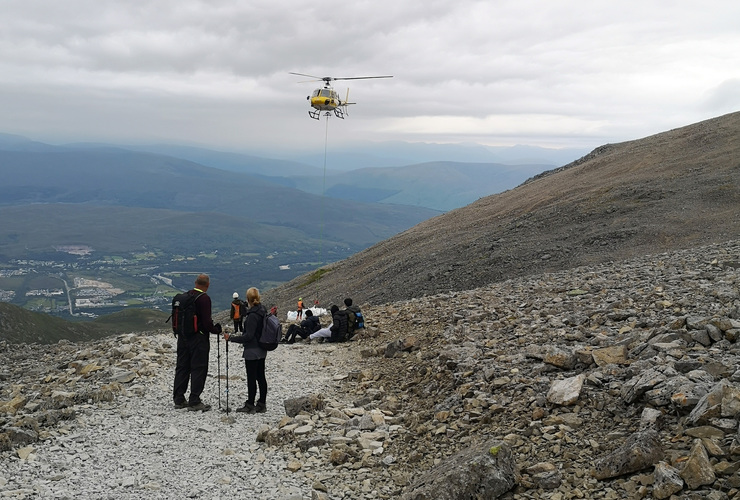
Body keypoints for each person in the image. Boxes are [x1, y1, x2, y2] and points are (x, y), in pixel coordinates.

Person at [173, 274, 222, 412]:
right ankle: (194, 400)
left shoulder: (186, 296)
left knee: (182, 367)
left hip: (182, 338)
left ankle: (179, 398)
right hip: (198, 339)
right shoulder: (204, 299)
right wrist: (215, 330)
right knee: (198, 368)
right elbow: (206, 323)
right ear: (208, 285)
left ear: (195, 283)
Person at [224, 287, 268, 414]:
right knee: (261, 376)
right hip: (261, 348)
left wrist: (231, 338)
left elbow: (248, 336)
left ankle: (250, 404)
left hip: (252, 350)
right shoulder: (262, 309)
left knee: (251, 378)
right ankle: (262, 403)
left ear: (248, 298)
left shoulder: (252, 315)